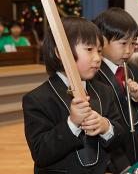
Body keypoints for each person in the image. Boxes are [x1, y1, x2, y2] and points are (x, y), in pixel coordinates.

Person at [22, 17, 124, 174]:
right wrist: (72, 123)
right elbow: (41, 153)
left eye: (99, 51)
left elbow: (119, 137)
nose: (97, 58)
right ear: (60, 53)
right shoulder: (38, 99)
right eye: (89, 50)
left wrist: (105, 127)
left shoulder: (105, 91)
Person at [93, 7, 138, 173]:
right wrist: (118, 163)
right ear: (102, 41)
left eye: (133, 43)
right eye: (122, 44)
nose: (128, 51)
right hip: (111, 154)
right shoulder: (94, 75)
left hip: (137, 146)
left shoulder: (134, 70)